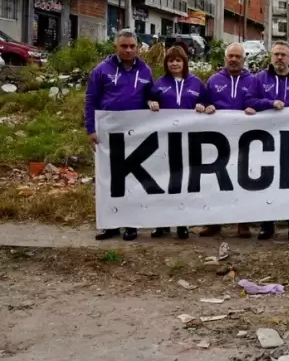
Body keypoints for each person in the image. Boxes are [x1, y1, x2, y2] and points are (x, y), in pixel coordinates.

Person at [85, 29, 154, 241]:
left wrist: (153, 102)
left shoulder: (145, 71)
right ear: (116, 46)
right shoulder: (101, 70)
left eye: (132, 46)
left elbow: (150, 96)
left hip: (135, 133)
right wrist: (90, 129)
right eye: (124, 46)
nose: (128, 50)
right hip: (108, 133)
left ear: (138, 48)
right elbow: (91, 100)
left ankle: (131, 224)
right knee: (109, 179)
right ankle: (110, 224)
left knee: (132, 179)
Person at [244, 41, 289, 241]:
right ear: (271, 57)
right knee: (269, 181)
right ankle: (267, 224)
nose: (279, 58)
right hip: (266, 140)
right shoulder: (260, 79)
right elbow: (248, 101)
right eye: (276, 54)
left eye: (283, 54)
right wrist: (268, 104)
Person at [147, 45, 210, 240]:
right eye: (171, 60)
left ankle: (182, 222)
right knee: (163, 181)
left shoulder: (196, 83)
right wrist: (150, 103)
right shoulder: (160, 83)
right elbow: (147, 102)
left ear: (185, 63)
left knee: (183, 183)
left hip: (188, 141)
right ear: (166, 63)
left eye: (178, 60)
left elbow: (208, 104)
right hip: (165, 141)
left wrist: (204, 106)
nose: (174, 63)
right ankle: (162, 223)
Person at [198, 42, 256, 239]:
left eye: (237, 57)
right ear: (225, 58)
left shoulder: (253, 80)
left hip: (245, 139)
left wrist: (255, 109)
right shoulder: (214, 80)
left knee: (243, 179)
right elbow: (204, 102)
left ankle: (243, 222)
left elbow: (257, 101)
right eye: (230, 56)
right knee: (216, 180)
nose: (233, 59)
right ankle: (214, 222)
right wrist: (206, 107)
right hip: (219, 140)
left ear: (243, 59)